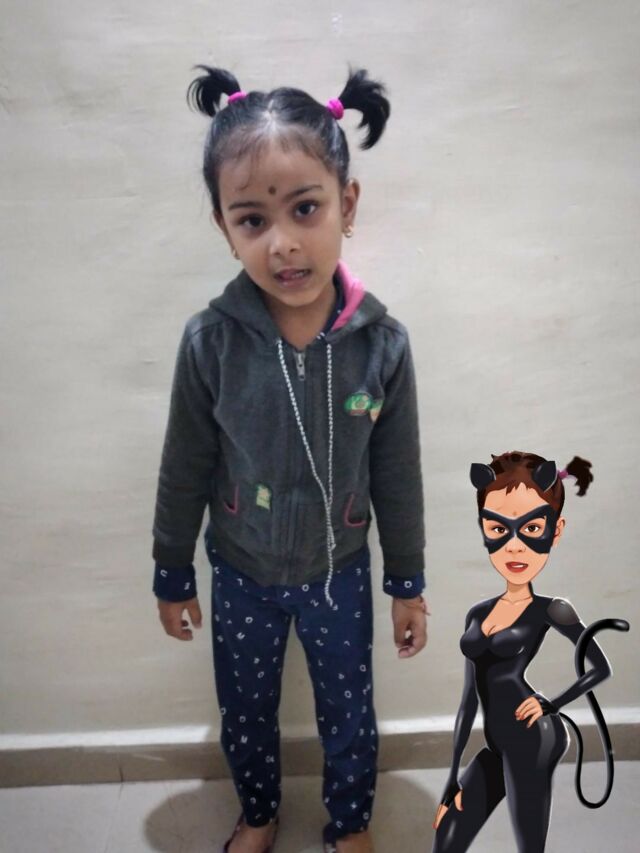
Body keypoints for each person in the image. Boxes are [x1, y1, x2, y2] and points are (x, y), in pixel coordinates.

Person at [151, 65, 428, 853]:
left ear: (347, 203)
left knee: (349, 710)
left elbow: (397, 476)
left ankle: (350, 822)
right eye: (252, 219)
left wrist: (407, 582)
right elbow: (184, 465)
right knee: (245, 707)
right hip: (241, 568)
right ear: (224, 227)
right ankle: (259, 811)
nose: (283, 243)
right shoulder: (211, 341)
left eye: (306, 208)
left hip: (341, 569)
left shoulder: (382, 345)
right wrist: (171, 568)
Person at [431, 451, 620, 853]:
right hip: (495, 741)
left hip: (534, 737)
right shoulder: (478, 613)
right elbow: (469, 698)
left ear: (555, 530)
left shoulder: (551, 609)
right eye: (499, 529)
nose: (514, 547)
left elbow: (600, 667)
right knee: (446, 837)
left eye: (532, 528)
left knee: (528, 843)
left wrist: (551, 704)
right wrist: (451, 777)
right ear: (484, 529)